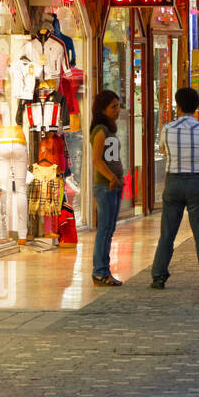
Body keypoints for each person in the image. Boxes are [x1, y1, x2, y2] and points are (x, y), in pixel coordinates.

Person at [151, 87, 199, 289]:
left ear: (179, 106)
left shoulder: (167, 128)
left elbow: (164, 151)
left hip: (173, 181)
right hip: (196, 182)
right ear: (197, 107)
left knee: (167, 232)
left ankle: (158, 275)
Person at [89, 90, 125, 287]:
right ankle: (100, 271)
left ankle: (103, 270)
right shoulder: (100, 130)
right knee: (104, 230)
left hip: (113, 186)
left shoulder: (110, 129)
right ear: (102, 109)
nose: (117, 110)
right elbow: (97, 160)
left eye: (118, 106)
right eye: (113, 106)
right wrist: (112, 178)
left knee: (109, 230)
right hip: (105, 187)